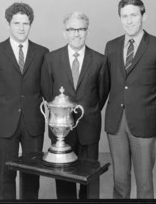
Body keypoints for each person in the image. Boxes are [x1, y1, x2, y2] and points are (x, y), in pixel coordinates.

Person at [104, 0, 156, 199]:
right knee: (119, 179)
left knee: (144, 181)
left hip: (145, 121)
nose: (129, 21)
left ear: (143, 16)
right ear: (120, 18)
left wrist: (150, 109)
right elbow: (107, 84)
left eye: (134, 15)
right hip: (115, 122)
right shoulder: (111, 46)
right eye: (124, 16)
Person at [0, 2, 49, 200]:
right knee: (6, 174)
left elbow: (45, 87)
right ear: (8, 24)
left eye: (25, 23)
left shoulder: (42, 53)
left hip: (33, 124)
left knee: (32, 175)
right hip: (5, 122)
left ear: (30, 25)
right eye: (16, 23)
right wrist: (6, 105)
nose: (21, 28)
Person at [41, 11, 110, 199]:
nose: (76, 33)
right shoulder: (51, 59)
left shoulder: (100, 60)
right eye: (71, 29)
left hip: (89, 126)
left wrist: (88, 111)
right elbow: (48, 93)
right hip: (61, 129)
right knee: (63, 177)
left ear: (87, 31)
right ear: (65, 33)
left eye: (81, 29)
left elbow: (101, 94)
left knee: (88, 178)